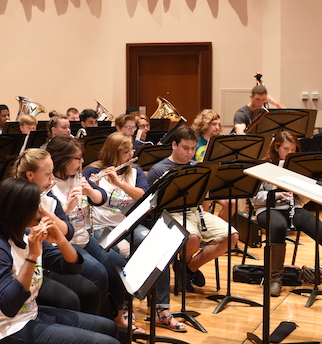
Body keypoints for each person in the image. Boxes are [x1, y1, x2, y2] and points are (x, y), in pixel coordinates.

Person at [0, 178, 122, 344]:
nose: (42, 210)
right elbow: (9, 305)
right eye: (36, 206)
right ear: (18, 212)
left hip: (28, 316)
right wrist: (32, 256)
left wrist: (60, 239)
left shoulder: (26, 234)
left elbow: (72, 267)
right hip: (4, 334)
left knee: (108, 328)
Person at [84, 132, 186, 331]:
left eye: (131, 149)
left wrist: (119, 183)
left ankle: (160, 309)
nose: (131, 154)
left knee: (158, 248)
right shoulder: (92, 170)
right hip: (100, 226)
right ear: (113, 153)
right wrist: (94, 187)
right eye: (126, 151)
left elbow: (143, 196)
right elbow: (87, 200)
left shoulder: (135, 172)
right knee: (115, 255)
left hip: (128, 225)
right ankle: (122, 309)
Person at [45, 136, 139, 332]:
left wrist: (90, 192)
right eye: (78, 158)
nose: (82, 162)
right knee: (98, 273)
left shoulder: (78, 177)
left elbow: (100, 198)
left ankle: (116, 315)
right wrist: (69, 206)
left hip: (84, 238)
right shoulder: (50, 185)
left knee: (118, 265)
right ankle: (96, 322)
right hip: (66, 243)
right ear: (63, 159)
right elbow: (57, 222)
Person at [147, 126, 238, 295]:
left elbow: (207, 192)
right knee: (192, 238)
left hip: (197, 213)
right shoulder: (159, 169)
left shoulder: (198, 166)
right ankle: (186, 266)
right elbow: (152, 203)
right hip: (171, 214)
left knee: (232, 236)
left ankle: (188, 268)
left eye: (193, 149)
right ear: (174, 145)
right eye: (185, 148)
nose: (189, 153)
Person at [14, 148, 102, 316]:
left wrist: (44, 210)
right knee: (70, 299)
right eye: (47, 174)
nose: (52, 178)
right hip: (22, 266)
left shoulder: (48, 198)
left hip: (47, 259)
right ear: (30, 175)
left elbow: (67, 232)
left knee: (90, 291)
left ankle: (93, 328)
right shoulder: (10, 197)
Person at [251, 131, 321, 296]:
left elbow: (304, 200)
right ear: (277, 148)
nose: (290, 153)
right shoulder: (264, 167)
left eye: (293, 150)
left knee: (318, 227)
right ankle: (275, 279)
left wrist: (298, 189)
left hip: (292, 208)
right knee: (278, 226)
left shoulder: (298, 167)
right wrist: (276, 194)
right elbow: (255, 199)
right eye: (286, 149)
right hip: (267, 209)